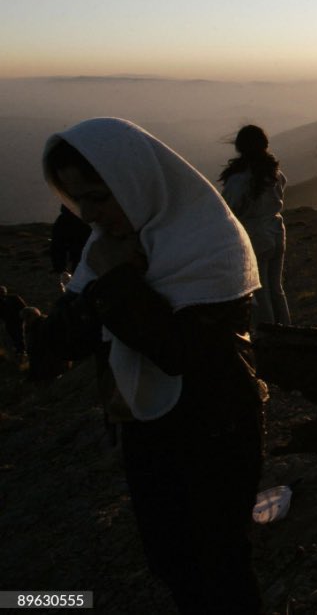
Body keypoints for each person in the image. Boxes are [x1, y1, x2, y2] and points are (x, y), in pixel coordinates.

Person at [32, 117, 267, 614]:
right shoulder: (109, 244)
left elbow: (181, 353)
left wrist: (116, 282)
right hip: (146, 426)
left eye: (99, 196)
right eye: (80, 200)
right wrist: (101, 283)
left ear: (135, 182)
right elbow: (60, 341)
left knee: (220, 566)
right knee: (170, 560)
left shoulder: (208, 244)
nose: (90, 215)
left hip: (216, 428)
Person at [219, 124, 290, 327]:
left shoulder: (239, 179)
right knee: (276, 288)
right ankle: (287, 328)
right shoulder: (275, 173)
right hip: (277, 230)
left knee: (261, 290)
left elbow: (228, 208)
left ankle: (269, 335)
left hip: (255, 235)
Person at [50, 203, 92, 291]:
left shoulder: (64, 220)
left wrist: (60, 268)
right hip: (88, 256)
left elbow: (57, 245)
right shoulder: (87, 217)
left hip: (79, 260)